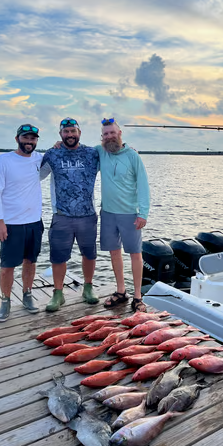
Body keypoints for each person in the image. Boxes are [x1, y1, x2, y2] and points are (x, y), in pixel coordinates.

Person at [40, 118, 100, 312]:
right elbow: (34, 175)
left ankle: (88, 288)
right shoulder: (53, 154)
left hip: (87, 214)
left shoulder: (92, 153)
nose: (70, 135)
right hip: (61, 215)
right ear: (60, 135)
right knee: (58, 257)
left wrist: (128, 149)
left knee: (89, 254)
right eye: (66, 132)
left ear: (79, 133)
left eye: (73, 131)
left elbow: (113, 155)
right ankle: (58, 293)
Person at [0, 124, 43, 322]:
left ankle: (27, 294)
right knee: (8, 265)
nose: (29, 141)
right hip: (11, 223)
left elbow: (60, 154)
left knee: (31, 261)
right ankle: (5, 300)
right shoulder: (3, 160)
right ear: (17, 138)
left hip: (35, 222)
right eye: (26, 138)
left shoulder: (39, 158)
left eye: (33, 138)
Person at [98, 118, 150, 313]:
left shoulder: (133, 156)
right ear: (102, 137)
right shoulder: (100, 152)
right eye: (105, 134)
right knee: (114, 251)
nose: (109, 136)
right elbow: (79, 150)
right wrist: (59, 144)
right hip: (108, 213)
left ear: (120, 134)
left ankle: (138, 296)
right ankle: (121, 291)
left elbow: (143, 187)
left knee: (135, 253)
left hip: (130, 213)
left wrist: (143, 213)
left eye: (112, 133)